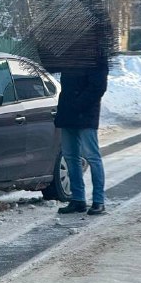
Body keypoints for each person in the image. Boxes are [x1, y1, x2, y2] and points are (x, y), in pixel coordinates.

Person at [55, 55, 108, 216]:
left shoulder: (97, 55)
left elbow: (98, 87)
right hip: (67, 112)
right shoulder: (69, 54)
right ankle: (78, 200)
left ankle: (99, 201)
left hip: (86, 113)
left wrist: (78, 105)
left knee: (92, 157)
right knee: (70, 157)